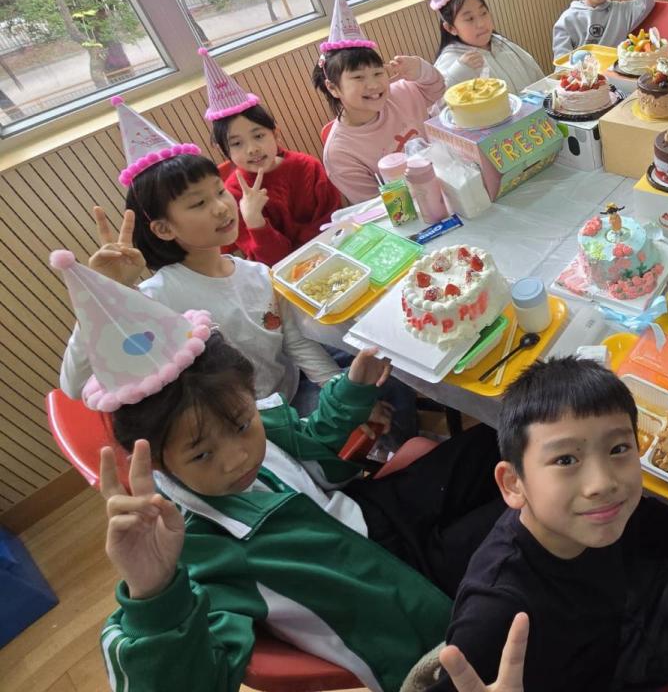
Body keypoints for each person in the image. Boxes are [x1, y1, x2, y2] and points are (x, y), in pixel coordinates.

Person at [58, 251, 506, 692]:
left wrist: (351, 390)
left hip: (368, 514)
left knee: (500, 440)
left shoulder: (256, 420)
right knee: (527, 512)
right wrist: (155, 592)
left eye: (242, 425)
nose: (236, 458)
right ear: (159, 463)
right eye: (202, 455)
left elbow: (313, 445)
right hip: (396, 591)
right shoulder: (197, 548)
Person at [425, 357, 668, 692]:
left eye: (618, 449)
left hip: (625, 597)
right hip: (606, 662)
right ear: (513, 484)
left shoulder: (595, 516)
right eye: (565, 460)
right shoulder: (495, 613)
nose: (603, 482)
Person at [59, 100, 340, 405]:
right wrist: (104, 295)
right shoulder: (157, 297)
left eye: (219, 192)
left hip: (293, 391)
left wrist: (339, 393)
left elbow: (295, 344)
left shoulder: (258, 274)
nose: (221, 207)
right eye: (198, 203)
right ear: (164, 229)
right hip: (244, 423)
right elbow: (75, 386)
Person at [198, 49, 342, 267]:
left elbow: (333, 221)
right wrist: (254, 220)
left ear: (275, 134)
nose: (252, 149)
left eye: (258, 136)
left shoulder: (307, 167)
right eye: (237, 143)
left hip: (333, 252)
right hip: (285, 273)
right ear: (224, 150)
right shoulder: (235, 195)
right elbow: (271, 262)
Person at [314, 0, 446, 203]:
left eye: (377, 73)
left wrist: (419, 68)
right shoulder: (340, 153)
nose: (374, 85)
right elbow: (373, 204)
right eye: (358, 77)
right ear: (333, 88)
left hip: (449, 183)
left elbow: (437, 89)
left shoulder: (402, 92)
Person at [412, 0, 545, 92]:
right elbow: (437, 100)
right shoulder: (451, 63)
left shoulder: (501, 44)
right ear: (451, 28)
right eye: (469, 19)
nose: (481, 23)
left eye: (483, 13)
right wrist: (457, 74)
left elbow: (536, 76)